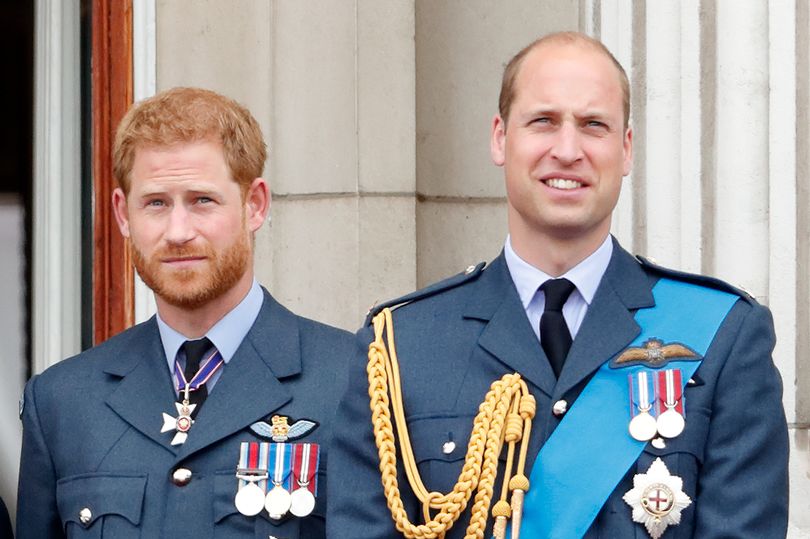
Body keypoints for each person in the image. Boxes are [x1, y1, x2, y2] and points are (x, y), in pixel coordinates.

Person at [327, 32, 789, 539]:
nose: (568, 150)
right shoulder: (399, 347)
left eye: (593, 125)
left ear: (626, 149)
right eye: (543, 121)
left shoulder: (723, 336)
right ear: (500, 138)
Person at [16, 87, 353, 538]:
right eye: (156, 203)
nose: (178, 232)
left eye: (202, 200)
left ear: (254, 204)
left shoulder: (353, 381)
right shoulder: (63, 401)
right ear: (123, 213)